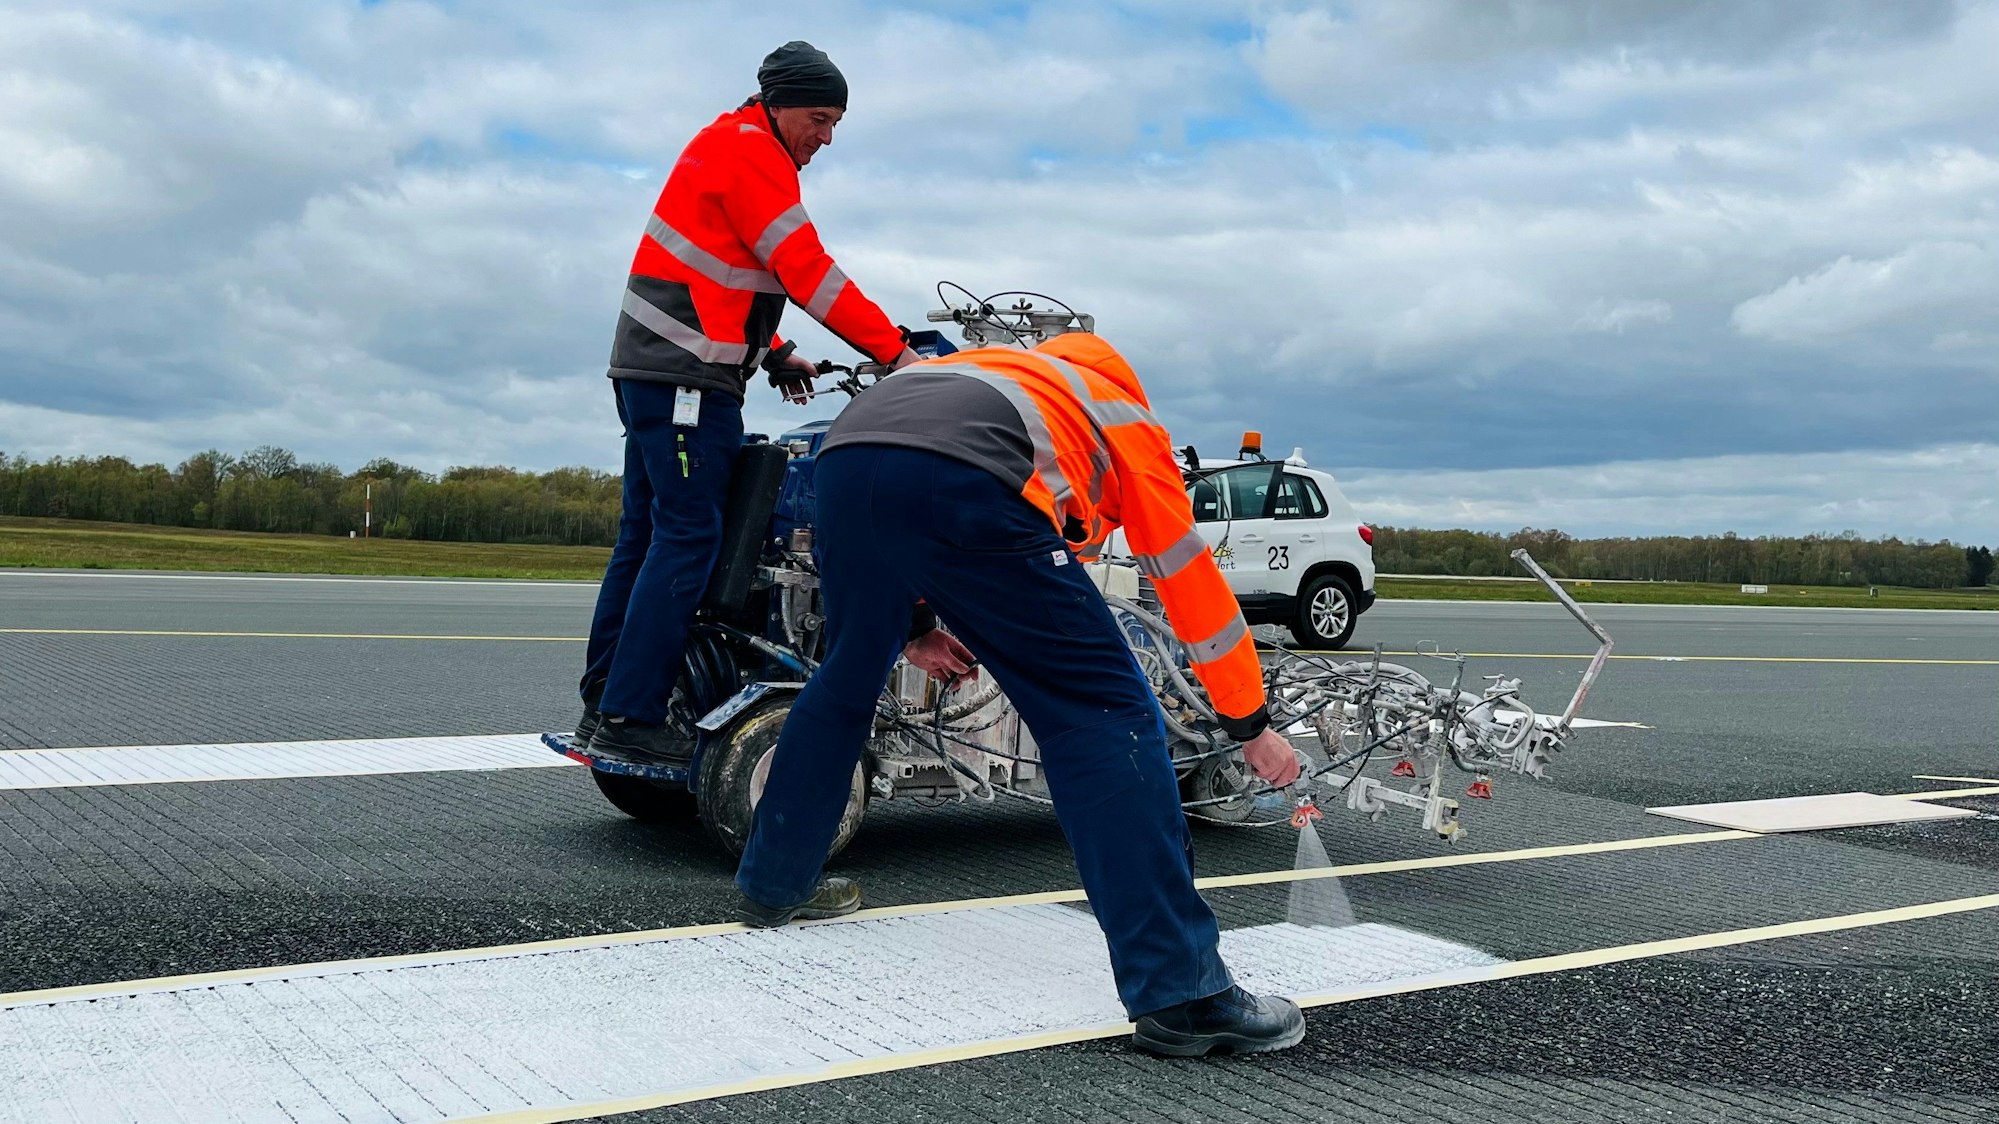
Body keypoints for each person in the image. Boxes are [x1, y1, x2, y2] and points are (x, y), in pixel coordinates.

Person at [730, 332, 1312, 1056]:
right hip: (964, 480)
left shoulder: (1000, 375)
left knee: (846, 674)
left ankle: (772, 883)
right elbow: (1188, 580)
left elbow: (901, 485)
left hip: (848, 457)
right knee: (1099, 712)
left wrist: (912, 625)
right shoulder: (1124, 420)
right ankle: (1183, 994)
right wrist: (1250, 722)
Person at [578, 41, 918, 763]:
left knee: (644, 537)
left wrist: (773, 352)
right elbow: (806, 270)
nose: (826, 137)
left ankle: (607, 697)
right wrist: (897, 354)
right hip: (685, 384)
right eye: (820, 119)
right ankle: (632, 715)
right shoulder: (751, 154)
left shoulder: (723, 144)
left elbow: (722, 279)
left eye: (835, 124)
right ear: (780, 105)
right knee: (689, 538)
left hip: (654, 372)